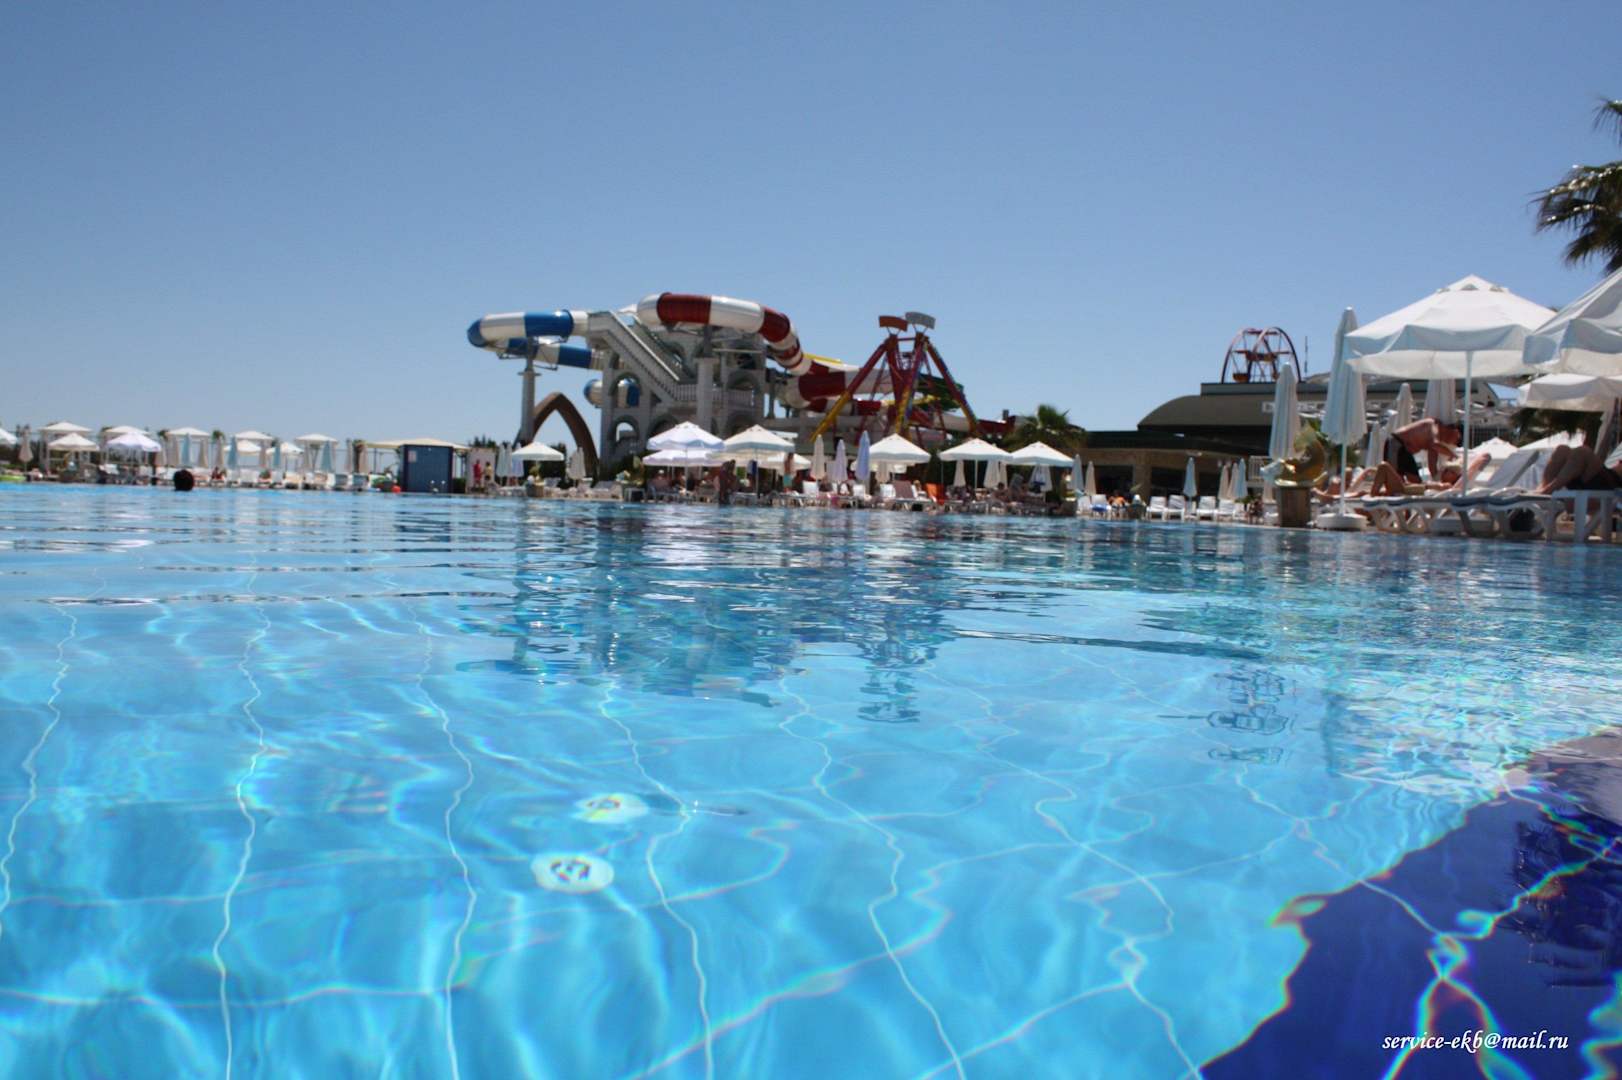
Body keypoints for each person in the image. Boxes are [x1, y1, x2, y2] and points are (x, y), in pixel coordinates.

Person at [1534, 444, 1622, 493]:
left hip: (1613, 485)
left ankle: (1547, 491)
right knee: (1562, 449)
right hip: (1601, 478)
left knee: (1583, 451)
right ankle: (1543, 491)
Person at [1391, 419, 1462, 479]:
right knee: (1395, 480)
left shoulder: (1434, 441)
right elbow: (1434, 445)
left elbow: (1432, 464)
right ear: (1456, 432)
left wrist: (1436, 479)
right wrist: (1453, 455)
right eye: (1458, 442)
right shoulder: (1434, 425)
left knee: (1416, 480)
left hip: (1405, 452)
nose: (1454, 444)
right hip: (1396, 444)